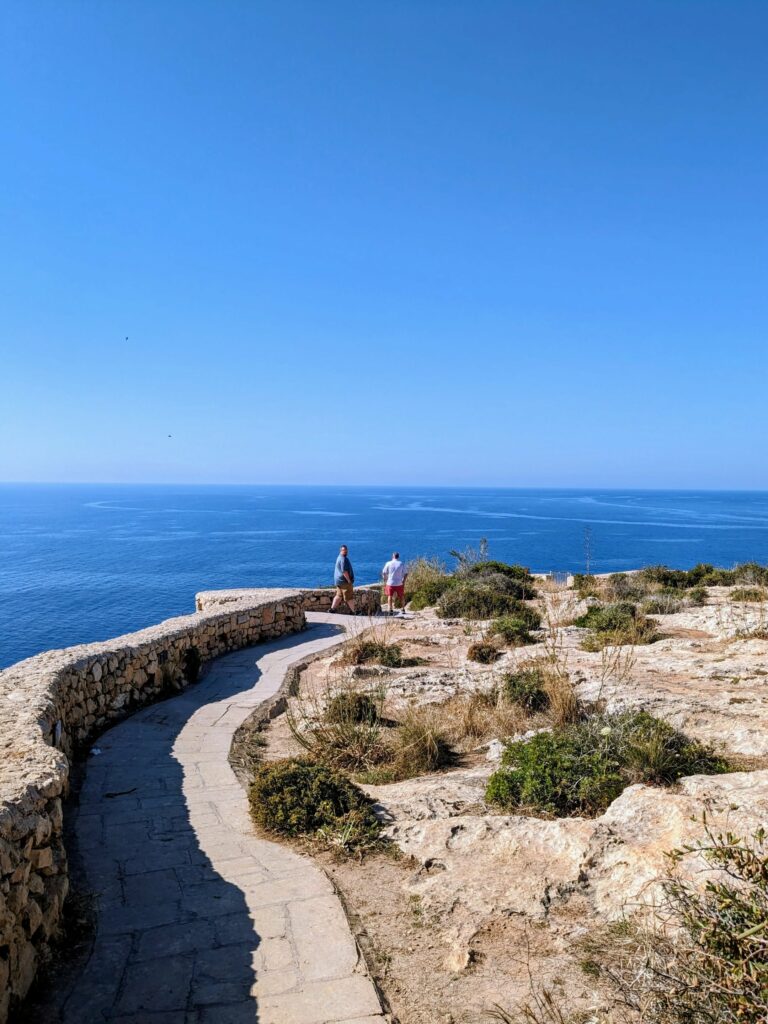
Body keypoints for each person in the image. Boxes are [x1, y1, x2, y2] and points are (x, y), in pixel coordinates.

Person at [331, 544, 356, 613]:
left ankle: (332, 609)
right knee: (349, 597)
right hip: (344, 581)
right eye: (343, 550)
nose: (345, 552)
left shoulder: (339, 557)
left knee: (339, 595)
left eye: (346, 550)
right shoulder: (343, 559)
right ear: (340, 551)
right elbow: (344, 571)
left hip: (338, 581)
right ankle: (354, 611)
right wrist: (348, 580)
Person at [381, 551, 408, 615]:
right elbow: (406, 573)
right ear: (398, 557)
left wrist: (385, 579)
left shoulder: (388, 563)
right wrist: (403, 581)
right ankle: (403, 609)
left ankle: (390, 610)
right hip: (399, 583)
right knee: (401, 596)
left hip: (390, 583)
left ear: (393, 556)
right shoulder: (401, 563)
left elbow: (384, 572)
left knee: (390, 596)